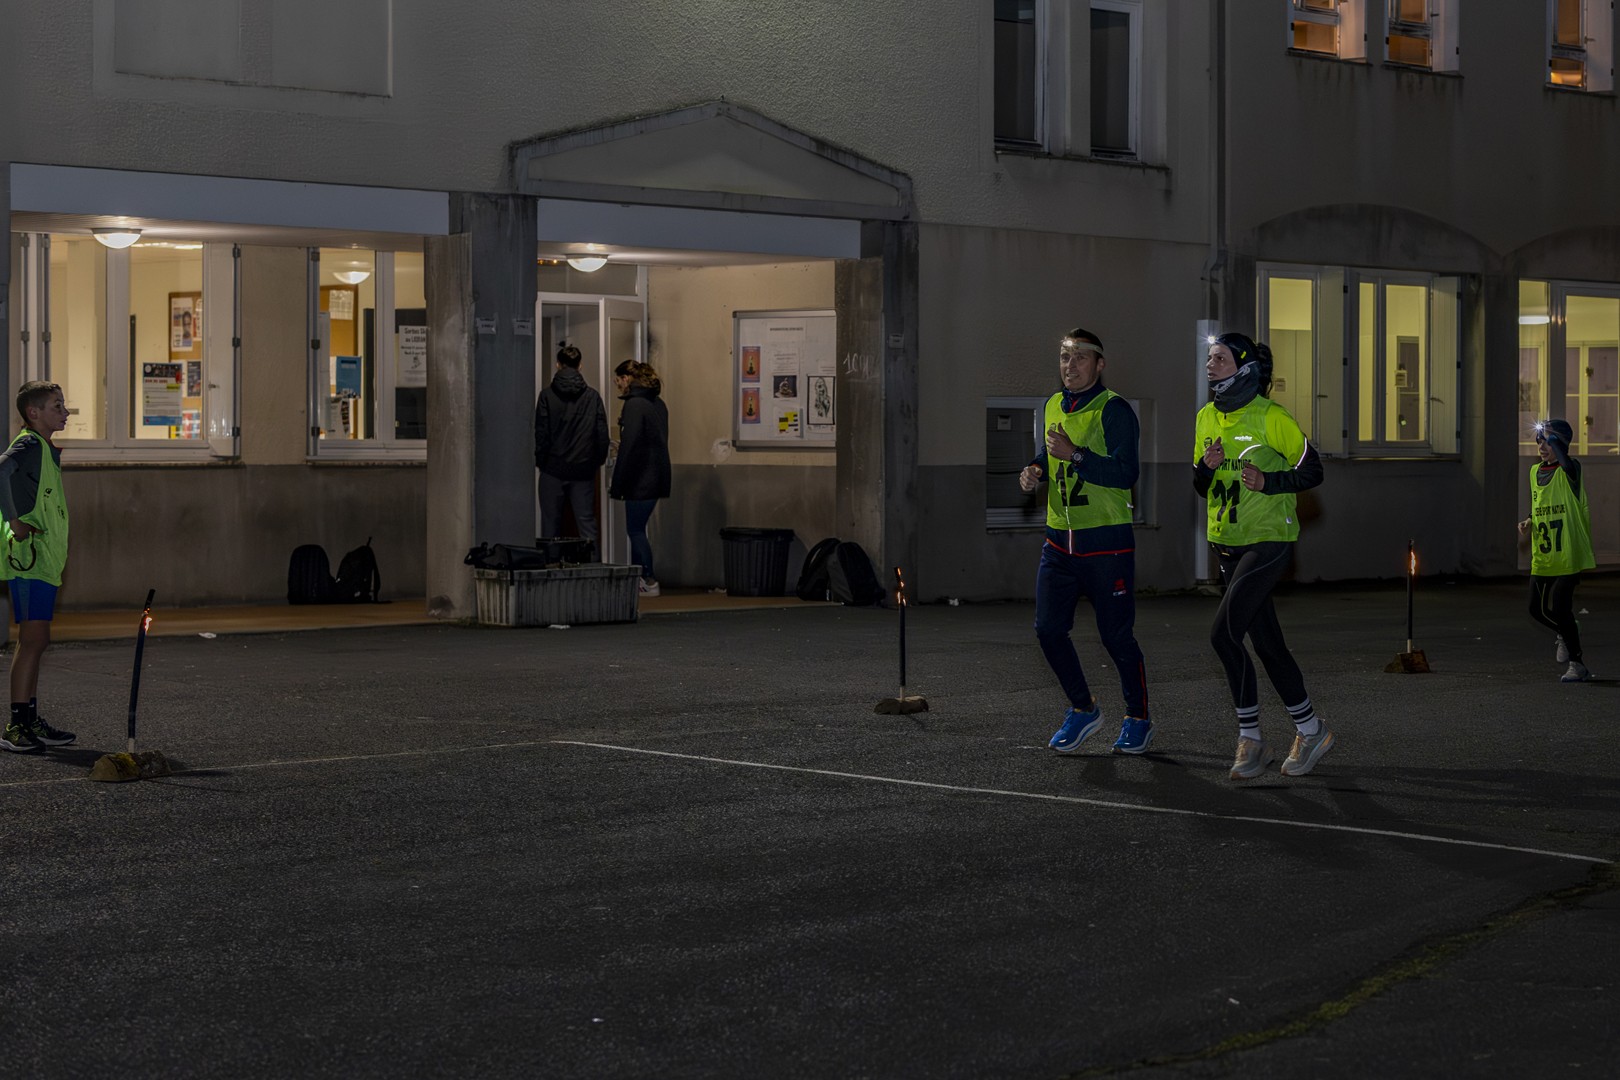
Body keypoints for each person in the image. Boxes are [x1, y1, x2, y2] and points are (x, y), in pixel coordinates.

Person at [1194, 333, 1328, 780]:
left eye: (1220, 358)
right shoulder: (1206, 417)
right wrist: (1205, 468)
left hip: (1268, 540)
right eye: (1209, 358)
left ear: (1244, 368)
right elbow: (1200, 486)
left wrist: (1270, 482)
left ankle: (1250, 739)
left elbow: (1313, 470)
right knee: (1268, 645)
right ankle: (1311, 730)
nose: (1210, 364)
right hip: (1226, 542)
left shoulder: (1272, 416)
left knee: (1223, 636)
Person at [1018, 328, 1153, 755]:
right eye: (1064, 357)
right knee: (1048, 630)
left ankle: (1138, 718)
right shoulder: (1053, 404)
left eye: (1080, 357)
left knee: (1116, 637)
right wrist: (1035, 469)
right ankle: (1083, 708)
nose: (1070, 365)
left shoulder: (1114, 410)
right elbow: (1050, 453)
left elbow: (1126, 472)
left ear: (1100, 364)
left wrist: (1076, 454)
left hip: (1106, 542)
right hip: (1059, 541)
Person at [0, 381, 77, 753]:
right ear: (33, 413)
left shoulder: (42, 448)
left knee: (36, 640)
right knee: (32, 641)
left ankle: (29, 719)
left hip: (42, 561)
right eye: (56, 406)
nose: (65, 412)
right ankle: (16, 726)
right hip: (29, 560)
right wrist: (15, 522)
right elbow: (0, 470)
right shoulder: (29, 444)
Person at [1517, 418, 1595, 682]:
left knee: (1561, 607)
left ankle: (1577, 664)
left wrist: (1555, 439)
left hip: (1568, 552)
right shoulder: (1534, 472)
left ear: (1560, 444)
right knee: (1535, 609)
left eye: (1547, 442)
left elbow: (1567, 465)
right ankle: (1565, 630)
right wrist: (1529, 519)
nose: (1541, 446)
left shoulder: (1572, 469)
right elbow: (1541, 503)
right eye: (1539, 441)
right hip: (1544, 553)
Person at [534, 342, 610, 553]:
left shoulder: (547, 395)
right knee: (586, 524)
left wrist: (542, 462)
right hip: (583, 470)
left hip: (552, 469)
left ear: (558, 365)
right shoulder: (592, 397)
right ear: (580, 365)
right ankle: (592, 568)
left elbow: (541, 433)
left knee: (550, 525)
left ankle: (551, 567)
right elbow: (602, 435)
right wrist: (595, 462)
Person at [609, 360, 671, 597]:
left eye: (618, 381)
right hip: (657, 473)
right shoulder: (658, 403)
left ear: (626, 378)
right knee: (638, 528)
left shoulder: (634, 404)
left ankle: (647, 578)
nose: (618, 386)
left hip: (640, 477)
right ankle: (643, 579)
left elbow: (632, 443)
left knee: (635, 530)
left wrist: (618, 482)